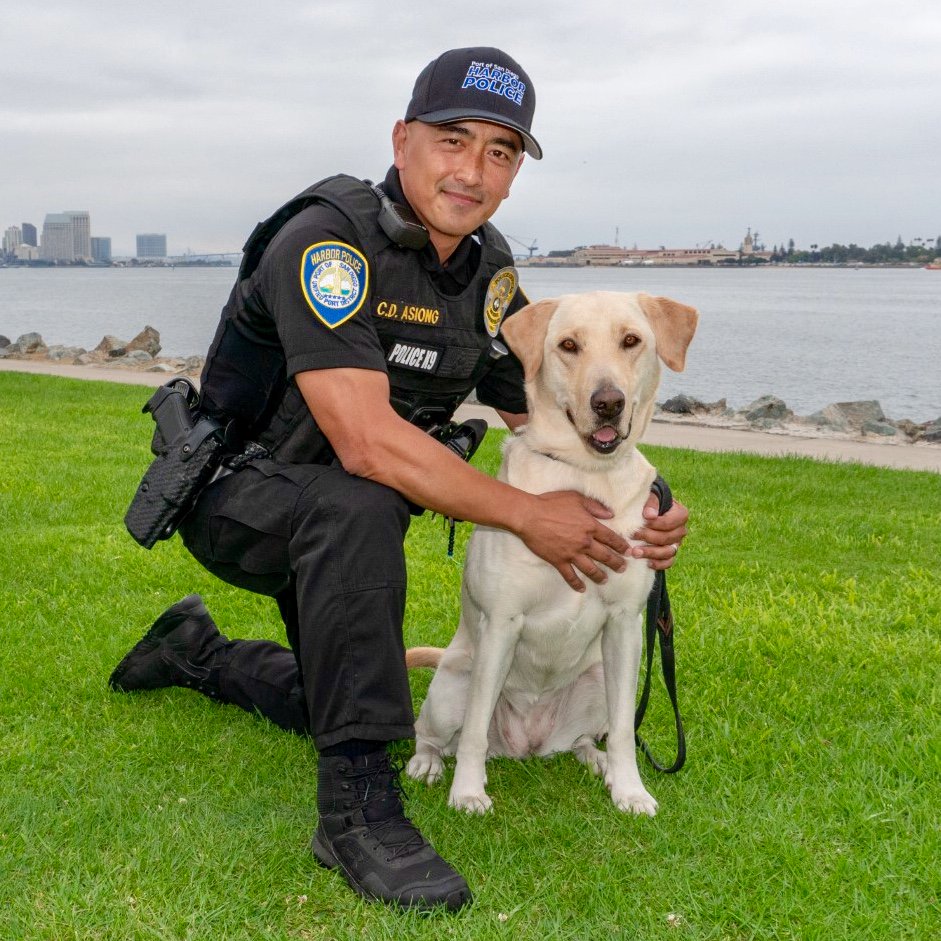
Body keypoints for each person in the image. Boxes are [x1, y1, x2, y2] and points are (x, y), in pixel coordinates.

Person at [110, 47, 689, 911]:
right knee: (359, 498)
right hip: (243, 500)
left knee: (342, 696)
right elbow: (366, 443)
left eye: (500, 152)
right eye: (453, 140)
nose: (472, 169)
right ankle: (357, 814)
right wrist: (530, 517)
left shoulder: (486, 274)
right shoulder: (326, 241)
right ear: (402, 139)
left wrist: (639, 505)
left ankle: (194, 651)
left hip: (345, 533)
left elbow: (547, 417)